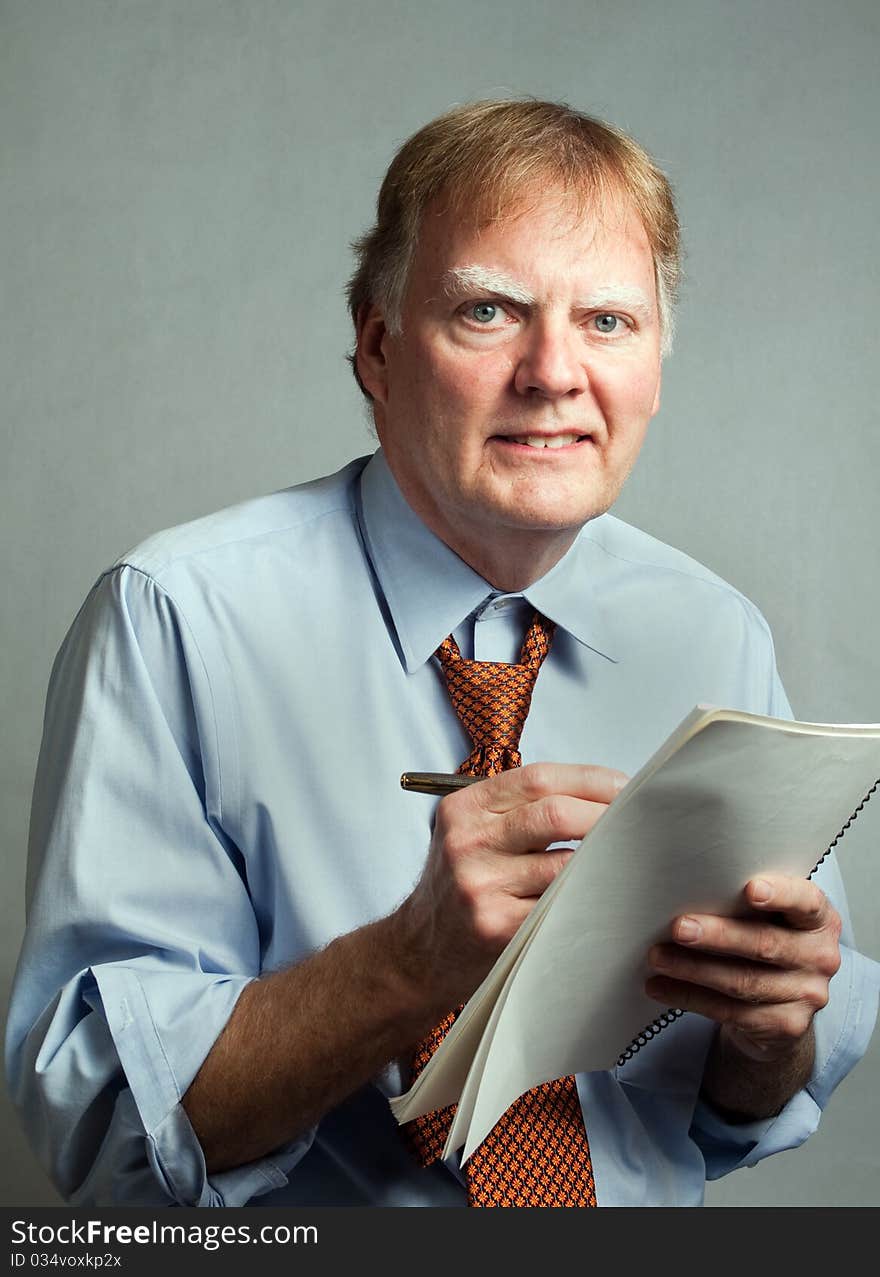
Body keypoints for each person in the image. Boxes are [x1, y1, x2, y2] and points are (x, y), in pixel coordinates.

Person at [6, 99, 877, 1209]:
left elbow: (736, 1109)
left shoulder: (716, 632)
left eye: (607, 321)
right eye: (488, 311)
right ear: (378, 346)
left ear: (657, 363)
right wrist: (405, 963)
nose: (554, 372)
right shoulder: (175, 617)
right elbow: (101, 1124)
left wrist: (767, 1034)